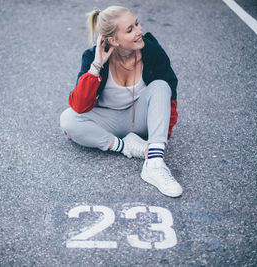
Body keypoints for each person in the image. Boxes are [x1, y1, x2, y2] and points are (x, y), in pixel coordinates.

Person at [60, 6, 182, 197]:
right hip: (108, 122)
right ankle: (129, 147)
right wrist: (97, 64)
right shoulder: (92, 57)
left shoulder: (152, 50)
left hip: (141, 119)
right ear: (112, 40)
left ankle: (155, 164)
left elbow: (170, 97)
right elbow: (79, 105)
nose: (139, 31)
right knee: (68, 119)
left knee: (161, 86)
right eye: (130, 30)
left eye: (137, 24)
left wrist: (162, 137)